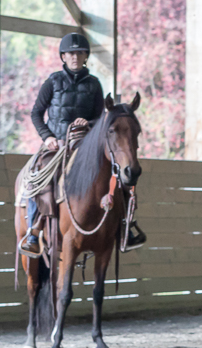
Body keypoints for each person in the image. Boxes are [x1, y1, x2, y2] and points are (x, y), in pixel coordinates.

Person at [19, 33, 146, 254]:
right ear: (63, 56)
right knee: (36, 177)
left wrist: (87, 123)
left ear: (85, 56)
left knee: (119, 175)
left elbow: (101, 120)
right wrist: (48, 137)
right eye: (71, 53)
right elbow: (36, 113)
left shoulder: (94, 84)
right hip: (56, 144)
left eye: (79, 53)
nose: (75, 57)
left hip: (85, 144)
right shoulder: (52, 82)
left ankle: (126, 224)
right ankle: (34, 229)